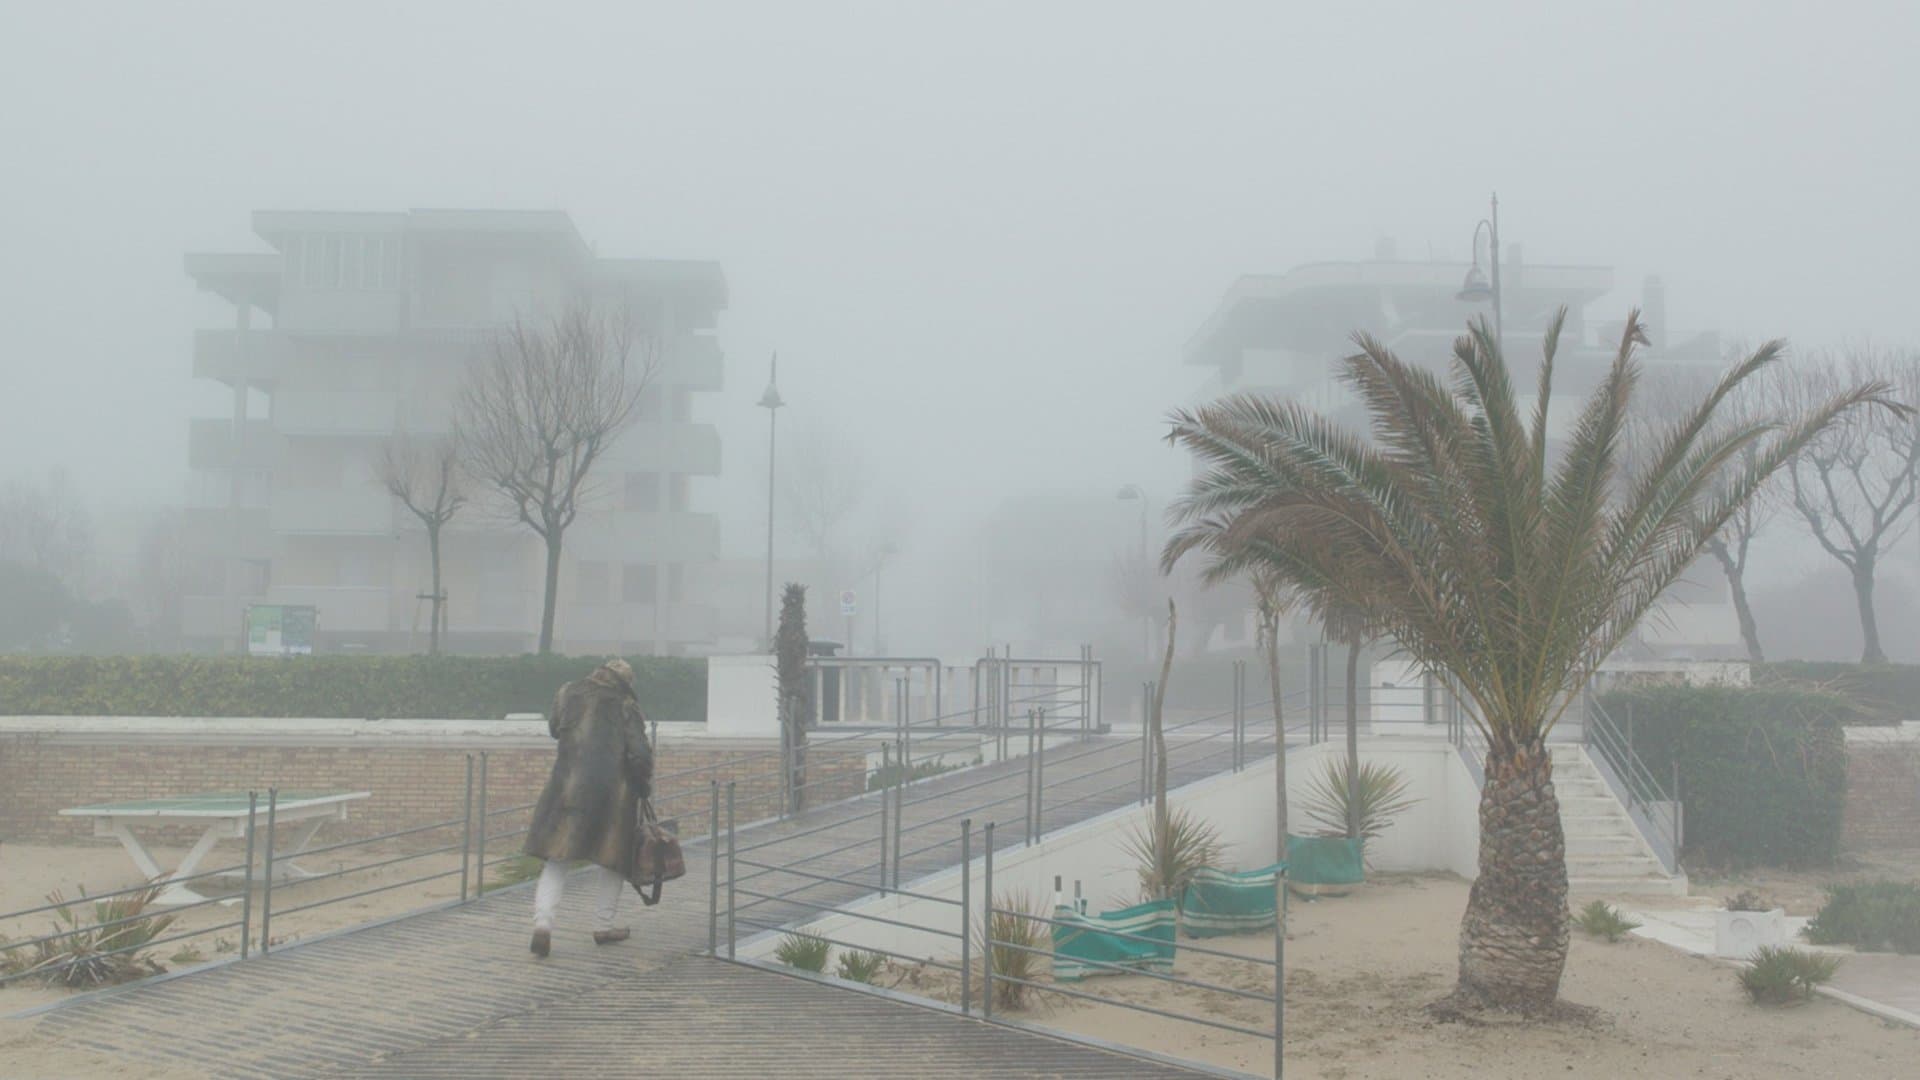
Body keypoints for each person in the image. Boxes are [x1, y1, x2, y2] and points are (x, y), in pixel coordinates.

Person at [523, 658, 653, 957]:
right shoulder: (625, 705)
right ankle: (603, 925)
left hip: (568, 789)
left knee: (557, 860)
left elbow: (555, 729)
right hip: (613, 797)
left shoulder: (568, 692)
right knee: (613, 861)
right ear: (626, 683)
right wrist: (643, 787)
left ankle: (543, 925)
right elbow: (640, 755)